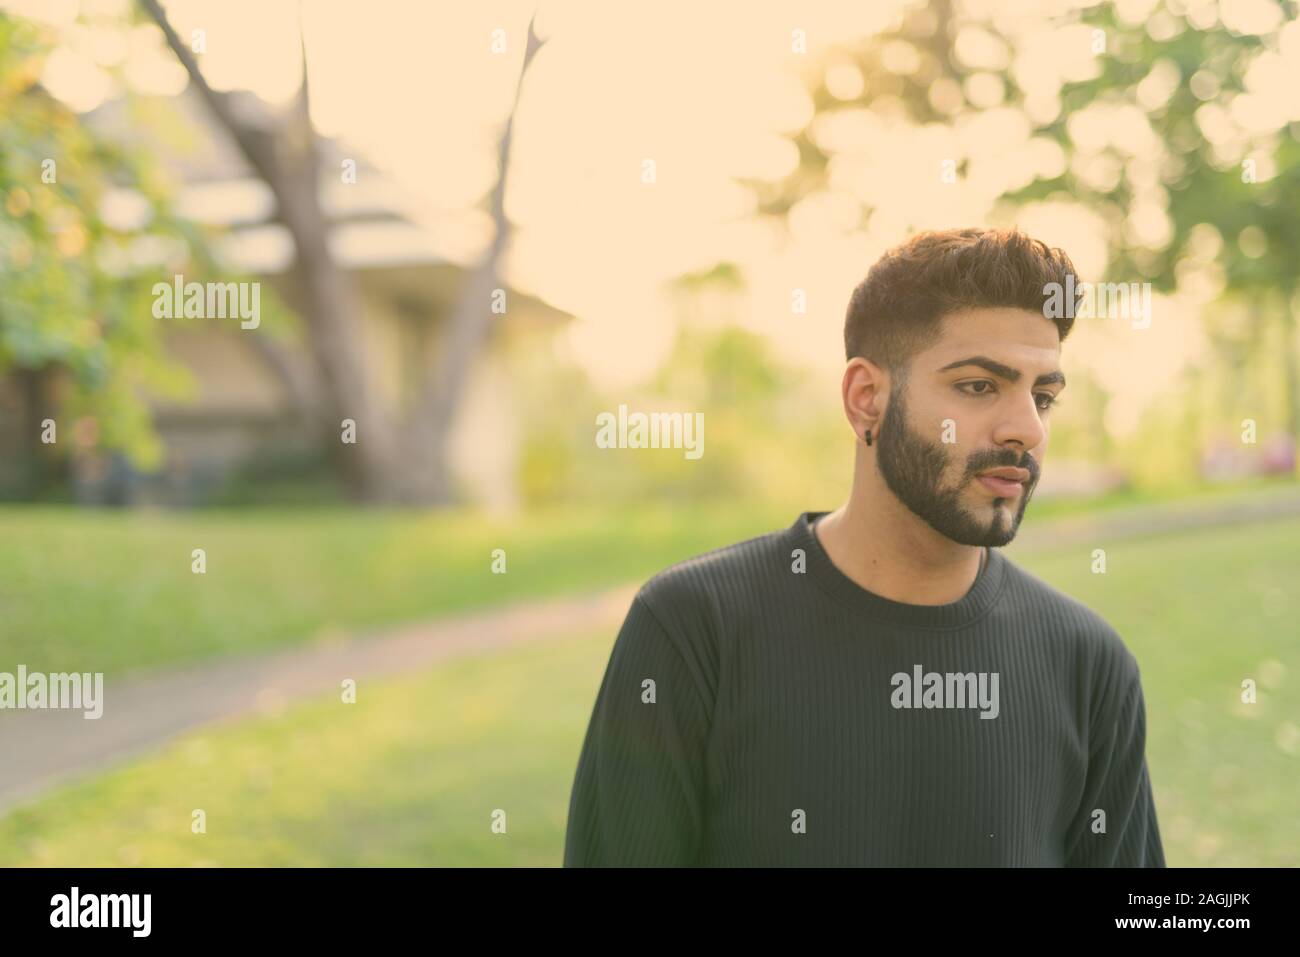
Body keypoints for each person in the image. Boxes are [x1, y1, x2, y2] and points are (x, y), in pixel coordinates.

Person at [563, 227, 1165, 867]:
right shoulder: (691, 630)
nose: (1026, 428)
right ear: (866, 398)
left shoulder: (1090, 667)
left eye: (1043, 396)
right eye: (979, 387)